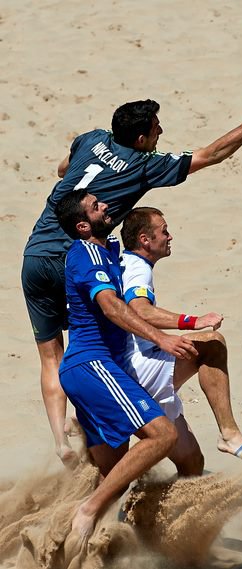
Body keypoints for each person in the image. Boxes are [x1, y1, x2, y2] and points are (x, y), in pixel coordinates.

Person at [21, 87, 242, 466]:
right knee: (113, 330)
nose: (161, 132)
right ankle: (119, 414)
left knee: (51, 356)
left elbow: (63, 169)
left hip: (33, 255)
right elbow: (211, 155)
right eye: (157, 128)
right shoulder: (143, 170)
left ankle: (63, 438)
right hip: (71, 256)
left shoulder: (93, 138)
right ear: (143, 138)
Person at [55, 188, 198, 540]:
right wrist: (161, 337)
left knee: (113, 475)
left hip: (95, 371)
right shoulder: (87, 253)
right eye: (95, 206)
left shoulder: (108, 251)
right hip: (92, 365)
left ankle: (70, 541)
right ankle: (87, 512)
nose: (104, 206)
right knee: (163, 434)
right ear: (83, 226)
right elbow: (110, 305)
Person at [119, 207, 242, 476]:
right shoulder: (138, 268)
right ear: (144, 239)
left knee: (192, 462)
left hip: (143, 369)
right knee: (212, 344)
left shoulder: (128, 263)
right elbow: (140, 309)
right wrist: (193, 321)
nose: (170, 236)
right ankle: (228, 432)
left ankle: (149, 512)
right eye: (164, 231)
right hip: (139, 370)